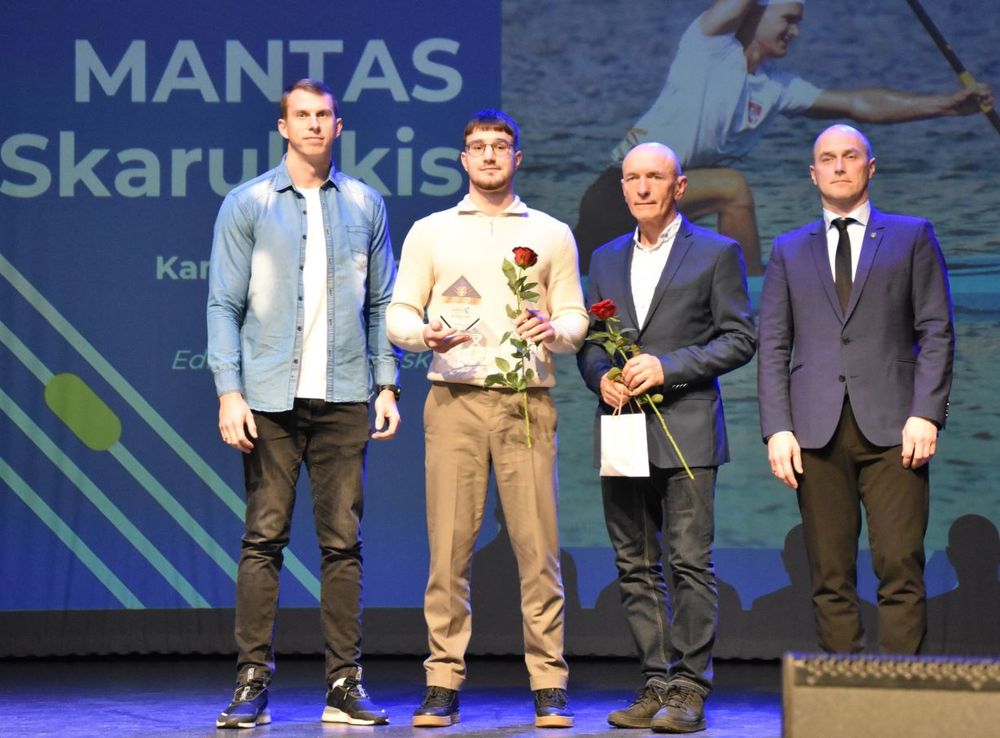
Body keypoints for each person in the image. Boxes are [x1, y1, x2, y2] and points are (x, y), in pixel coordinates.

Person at [207, 79, 401, 729]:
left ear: (338, 127)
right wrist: (229, 391)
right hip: (269, 398)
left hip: (344, 395)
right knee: (264, 538)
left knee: (343, 543)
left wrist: (387, 383)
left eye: (324, 115)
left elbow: (381, 303)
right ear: (283, 127)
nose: (314, 124)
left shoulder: (366, 204)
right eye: (302, 115)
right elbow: (223, 304)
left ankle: (344, 683)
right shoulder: (249, 203)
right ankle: (251, 682)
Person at [386, 109, 588, 729]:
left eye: (501, 146)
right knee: (448, 552)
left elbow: (576, 319)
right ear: (464, 160)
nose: (490, 155)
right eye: (479, 147)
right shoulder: (431, 231)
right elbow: (398, 312)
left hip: (526, 403)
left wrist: (555, 329)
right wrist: (422, 335)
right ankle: (442, 681)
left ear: (517, 158)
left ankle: (549, 683)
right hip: (454, 403)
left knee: (539, 550)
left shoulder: (551, 233)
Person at [574, 0, 995, 275]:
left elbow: (859, 104)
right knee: (732, 188)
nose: (795, 31)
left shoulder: (777, 87)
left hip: (668, 201)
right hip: (617, 194)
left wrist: (945, 106)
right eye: (788, 19)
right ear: (754, 13)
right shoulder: (709, 43)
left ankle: (739, 282)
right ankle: (752, 291)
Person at [577, 142, 755, 733]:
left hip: (687, 427)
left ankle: (689, 687)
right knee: (635, 562)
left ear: (679, 186)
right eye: (632, 177)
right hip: (623, 427)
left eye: (654, 176)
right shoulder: (605, 257)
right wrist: (600, 377)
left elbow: (740, 338)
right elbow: (594, 342)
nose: (642, 187)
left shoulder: (717, 252)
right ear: (622, 188)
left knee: (688, 561)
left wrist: (667, 366)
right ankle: (655, 682)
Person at [757, 124, 955, 655]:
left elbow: (936, 330)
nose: (839, 166)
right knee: (829, 572)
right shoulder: (789, 249)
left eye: (850, 156)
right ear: (813, 173)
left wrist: (927, 413)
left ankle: (900, 690)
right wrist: (777, 428)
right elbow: (773, 345)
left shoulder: (911, 235)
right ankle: (842, 690)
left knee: (899, 564)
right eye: (828, 158)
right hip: (815, 432)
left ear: (871, 167)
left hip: (896, 427)